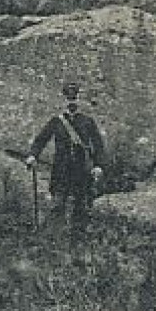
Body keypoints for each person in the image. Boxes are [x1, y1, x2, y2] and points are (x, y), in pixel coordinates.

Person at [26, 82, 107, 232]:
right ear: (64, 100)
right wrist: (32, 155)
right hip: (61, 170)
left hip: (81, 170)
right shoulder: (56, 122)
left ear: (78, 100)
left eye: (74, 98)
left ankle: (79, 240)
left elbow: (98, 145)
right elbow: (41, 139)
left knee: (81, 205)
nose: (72, 102)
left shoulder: (87, 121)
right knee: (58, 204)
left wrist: (98, 165)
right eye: (68, 99)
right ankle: (55, 241)